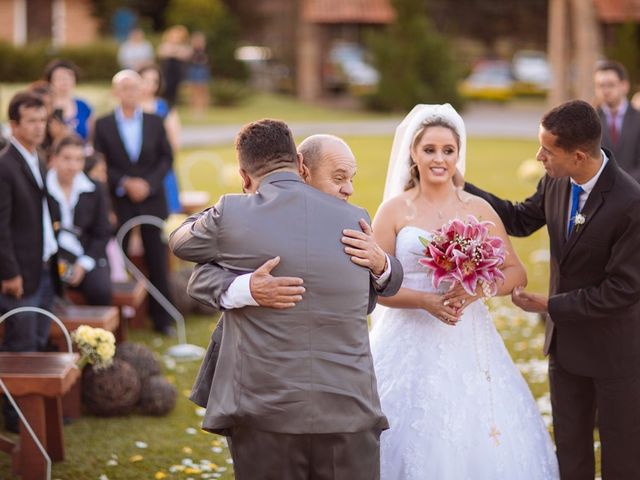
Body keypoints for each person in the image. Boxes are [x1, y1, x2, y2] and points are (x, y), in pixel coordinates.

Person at [169, 120, 403, 479]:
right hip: (348, 409)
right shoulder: (356, 220)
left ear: (244, 176)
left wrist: (230, 208)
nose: (349, 189)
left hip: (264, 410)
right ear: (300, 162)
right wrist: (246, 287)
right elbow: (367, 302)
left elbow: (181, 241)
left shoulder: (233, 214)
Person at [370, 104, 559, 479]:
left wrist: (478, 289)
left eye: (448, 150)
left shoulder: (478, 208)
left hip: (468, 336)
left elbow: (515, 272)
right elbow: (371, 288)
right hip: (405, 336)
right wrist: (424, 301)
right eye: (430, 150)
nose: (439, 159)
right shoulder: (393, 211)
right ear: (413, 152)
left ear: (458, 154)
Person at [464, 100, 640, 479]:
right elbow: (519, 218)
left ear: (578, 156)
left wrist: (550, 304)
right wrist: (458, 183)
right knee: (570, 453)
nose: (538, 156)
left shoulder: (632, 204)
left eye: (547, 150)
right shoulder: (556, 180)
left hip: (617, 355)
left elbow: (623, 289)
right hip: (566, 349)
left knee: (622, 459)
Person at [93, 70, 175, 336]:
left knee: (157, 258)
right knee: (118, 257)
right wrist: (125, 182)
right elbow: (99, 162)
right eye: (125, 88)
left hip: (152, 199)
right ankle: (119, 319)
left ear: (142, 91)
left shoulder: (155, 120)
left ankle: (162, 319)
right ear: (116, 93)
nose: (130, 93)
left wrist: (147, 184)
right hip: (119, 200)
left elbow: (166, 158)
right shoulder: (103, 124)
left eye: (135, 88)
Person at [0, 91, 60, 431]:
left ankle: (33, 411)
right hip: (19, 272)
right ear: (14, 125)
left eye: (42, 120)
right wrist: (9, 272)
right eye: (32, 121)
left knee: (37, 341)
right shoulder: (5, 165)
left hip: (44, 266)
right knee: (19, 347)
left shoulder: (37, 157)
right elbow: (1, 226)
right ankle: (14, 418)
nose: (39, 128)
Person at [47, 135, 112, 305]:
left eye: (79, 159)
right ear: (54, 159)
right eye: (67, 158)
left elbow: (103, 232)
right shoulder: (43, 187)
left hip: (86, 254)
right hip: (51, 258)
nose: (73, 166)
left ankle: (98, 331)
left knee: (101, 290)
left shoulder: (94, 188)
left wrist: (83, 264)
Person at [139, 64, 182, 213]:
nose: (149, 85)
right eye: (145, 80)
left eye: (153, 81)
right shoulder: (130, 108)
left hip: (161, 169)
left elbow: (174, 143)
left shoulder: (165, 108)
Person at [594, 60, 640, 182]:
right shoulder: (590, 120)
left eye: (610, 85)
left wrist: (622, 184)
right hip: (599, 194)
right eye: (600, 85)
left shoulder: (638, 119)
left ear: (624, 86)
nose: (605, 90)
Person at [44, 59, 93, 142]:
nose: (64, 81)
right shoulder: (46, 106)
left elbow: (91, 139)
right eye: (59, 78)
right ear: (50, 81)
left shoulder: (83, 106)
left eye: (68, 77)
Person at [157, 25, 192, 108]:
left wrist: (174, 52)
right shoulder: (165, 45)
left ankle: (172, 107)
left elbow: (186, 55)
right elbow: (162, 53)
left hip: (176, 74)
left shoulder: (184, 47)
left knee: (174, 93)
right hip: (166, 73)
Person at [186, 31, 210, 116]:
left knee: (202, 90)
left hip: (201, 69)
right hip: (194, 69)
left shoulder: (203, 50)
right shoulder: (191, 50)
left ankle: (202, 109)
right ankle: (194, 110)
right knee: (193, 90)